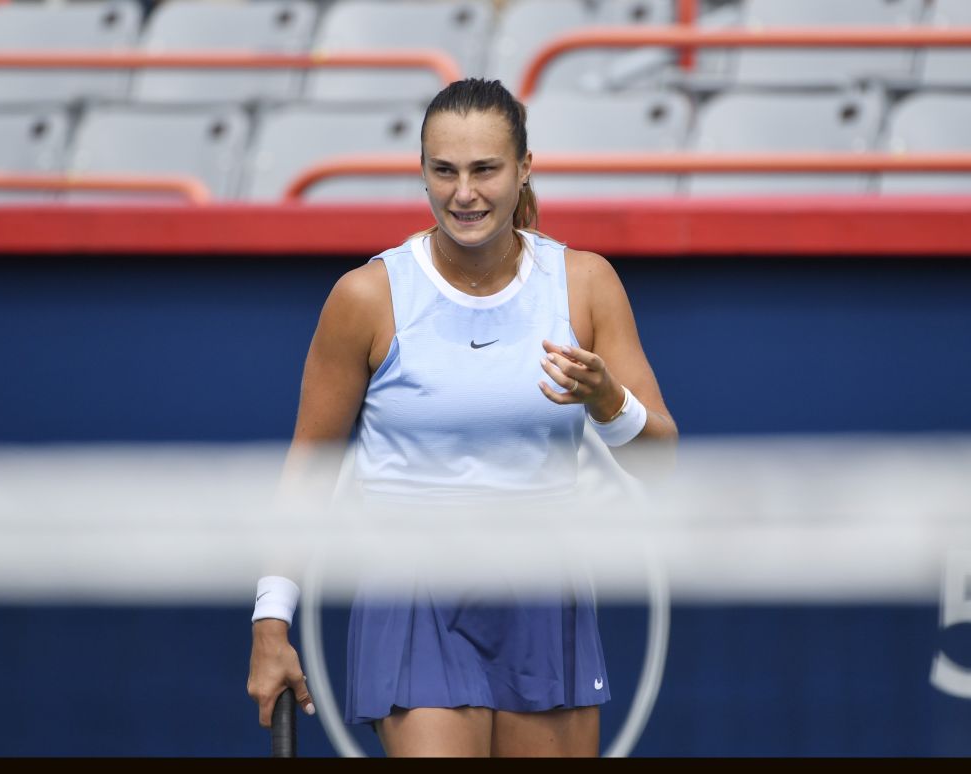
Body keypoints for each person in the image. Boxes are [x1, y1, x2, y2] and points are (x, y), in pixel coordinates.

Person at [246, 77, 678, 757]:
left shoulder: (586, 284)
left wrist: (608, 402)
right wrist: (271, 623)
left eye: (485, 170)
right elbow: (308, 471)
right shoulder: (366, 297)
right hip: (413, 589)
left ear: (524, 169)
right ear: (421, 172)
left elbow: (660, 457)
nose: (464, 193)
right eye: (443, 171)